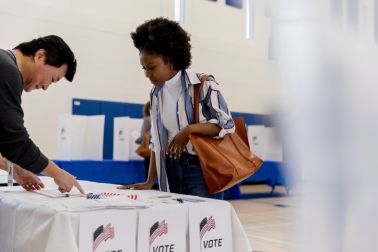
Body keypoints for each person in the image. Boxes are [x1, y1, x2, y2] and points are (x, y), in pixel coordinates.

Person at [118, 18, 235, 199]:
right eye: (143, 69)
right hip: (171, 169)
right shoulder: (156, 94)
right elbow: (157, 140)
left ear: (170, 60)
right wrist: (149, 181)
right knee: (176, 225)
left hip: (201, 170)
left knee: (202, 225)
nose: (147, 74)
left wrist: (188, 130)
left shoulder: (203, 84)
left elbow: (226, 125)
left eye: (151, 67)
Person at [0, 35, 84, 193]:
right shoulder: (7, 70)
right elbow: (15, 142)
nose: (46, 87)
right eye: (52, 79)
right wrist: (57, 173)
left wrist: (13, 168)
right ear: (40, 55)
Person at [135, 101, 151, 180]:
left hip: (149, 148)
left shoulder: (147, 119)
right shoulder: (159, 119)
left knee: (148, 169)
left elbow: (142, 135)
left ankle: (148, 184)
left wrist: (137, 140)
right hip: (159, 149)